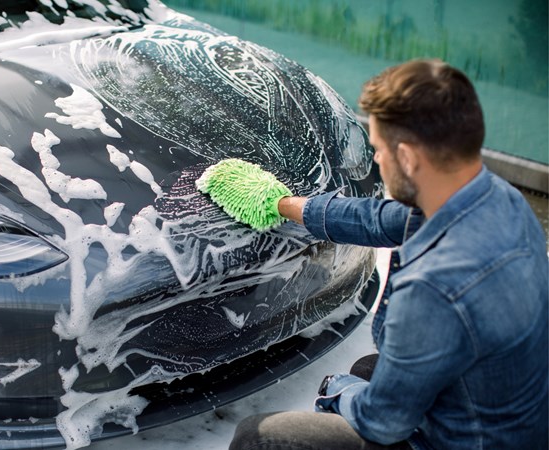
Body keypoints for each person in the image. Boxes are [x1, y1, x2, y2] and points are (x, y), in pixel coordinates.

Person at [228, 59, 548, 449]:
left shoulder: (434, 287)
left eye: (379, 149)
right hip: (515, 419)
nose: (377, 160)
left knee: (259, 436)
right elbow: (381, 219)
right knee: (369, 369)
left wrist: (337, 390)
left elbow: (382, 423)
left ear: (409, 158)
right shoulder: (500, 199)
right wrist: (285, 204)